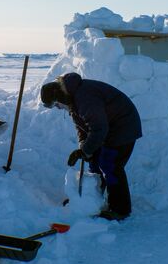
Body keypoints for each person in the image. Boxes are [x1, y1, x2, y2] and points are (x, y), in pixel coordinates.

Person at [41, 73, 142, 221]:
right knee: (94, 162)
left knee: (110, 165)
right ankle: (90, 200)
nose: (57, 108)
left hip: (123, 127)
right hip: (109, 128)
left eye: (56, 104)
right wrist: (84, 149)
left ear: (59, 96)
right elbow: (82, 128)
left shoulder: (84, 97)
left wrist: (86, 150)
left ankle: (120, 209)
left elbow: (99, 128)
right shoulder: (72, 98)